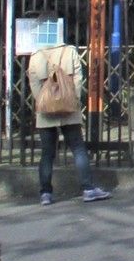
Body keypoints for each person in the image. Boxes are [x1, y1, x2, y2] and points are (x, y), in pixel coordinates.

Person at [27, 39, 111, 205]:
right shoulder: (70, 51)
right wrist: (72, 99)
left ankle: (45, 194)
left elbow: (33, 82)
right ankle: (88, 188)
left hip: (46, 110)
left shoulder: (36, 56)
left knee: (47, 153)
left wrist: (44, 101)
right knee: (78, 148)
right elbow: (78, 79)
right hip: (68, 107)